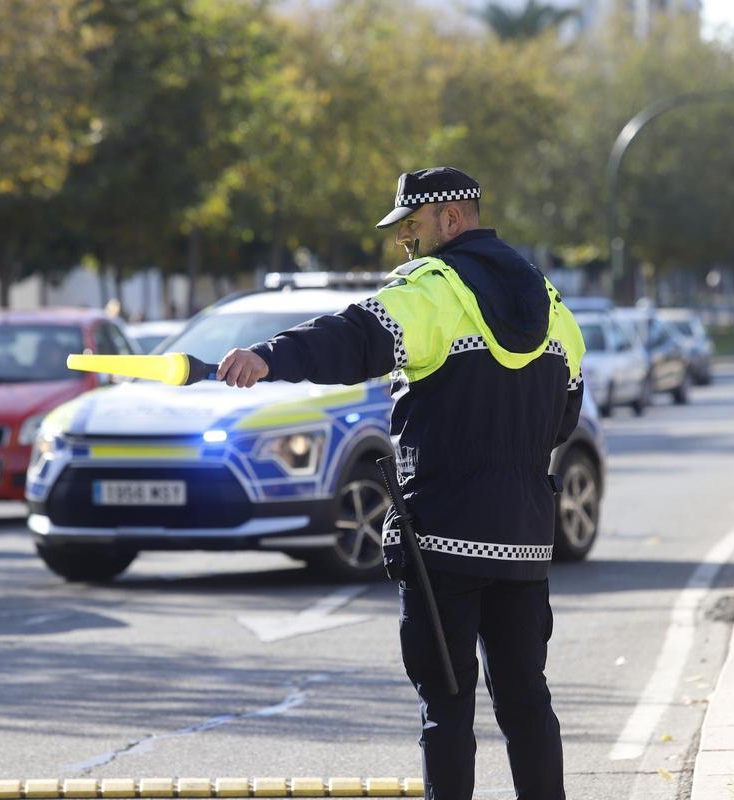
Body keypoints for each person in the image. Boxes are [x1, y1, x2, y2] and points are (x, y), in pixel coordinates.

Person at [216, 167, 585, 800]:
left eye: (411, 228)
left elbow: (354, 337)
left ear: (450, 217)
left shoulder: (433, 289)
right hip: (525, 540)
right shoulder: (551, 304)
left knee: (446, 707)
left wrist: (270, 356)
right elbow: (564, 418)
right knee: (526, 701)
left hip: (440, 538)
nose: (405, 245)